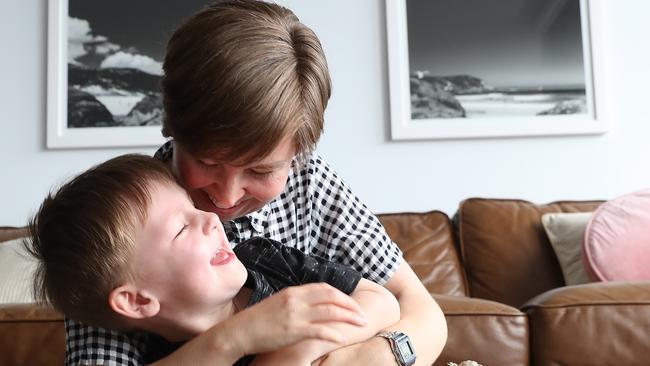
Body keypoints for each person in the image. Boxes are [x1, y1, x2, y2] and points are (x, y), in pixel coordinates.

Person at [65, 1, 447, 365]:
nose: (225, 199)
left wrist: (354, 355)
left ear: (297, 153)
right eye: (208, 162)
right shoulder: (119, 223)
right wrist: (233, 340)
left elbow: (416, 306)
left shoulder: (307, 181)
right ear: (171, 127)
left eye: (262, 172)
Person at [27, 154, 400, 366]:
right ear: (138, 300)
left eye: (192, 207)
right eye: (180, 228)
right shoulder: (166, 358)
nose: (210, 218)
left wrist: (298, 350)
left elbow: (383, 301)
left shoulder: (266, 259)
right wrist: (238, 337)